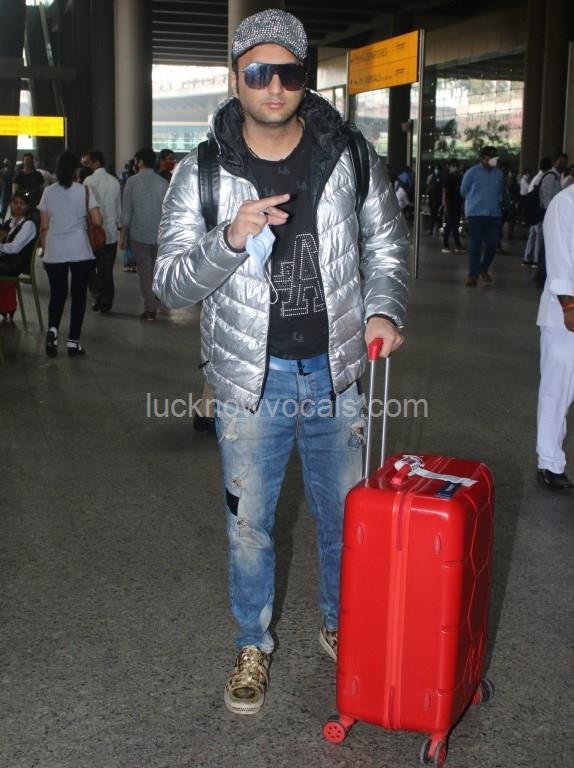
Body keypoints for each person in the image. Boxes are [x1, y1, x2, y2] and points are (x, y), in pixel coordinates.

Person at [153, 8, 409, 716]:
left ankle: (342, 624)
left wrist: (385, 310)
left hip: (337, 372)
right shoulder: (202, 171)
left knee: (345, 519)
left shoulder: (348, 155)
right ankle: (251, 642)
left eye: (289, 74)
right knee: (250, 525)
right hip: (248, 382)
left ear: (304, 79)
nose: (274, 87)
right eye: (259, 72)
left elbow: (387, 244)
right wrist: (228, 240)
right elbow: (169, 284)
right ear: (236, 77)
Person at [38, 150, 102, 357]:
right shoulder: (84, 191)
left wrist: (44, 250)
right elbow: (97, 220)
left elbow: (44, 226)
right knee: (79, 296)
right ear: (76, 169)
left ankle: (53, 331)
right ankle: (73, 343)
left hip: (55, 249)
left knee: (57, 294)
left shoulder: (48, 192)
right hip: (79, 250)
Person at [536, 183, 574, 492]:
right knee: (558, 390)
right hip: (565, 315)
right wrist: (569, 305)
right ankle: (549, 462)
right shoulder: (565, 203)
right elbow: (559, 258)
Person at [120, 148, 168, 320]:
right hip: (159, 235)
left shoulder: (132, 182)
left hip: (139, 234)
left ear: (140, 162)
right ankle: (157, 297)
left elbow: (126, 212)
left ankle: (150, 308)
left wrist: (122, 234)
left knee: (145, 273)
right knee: (156, 270)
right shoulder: (163, 183)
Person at [460, 146, 508, 287]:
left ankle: (483, 268)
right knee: (475, 246)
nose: (494, 159)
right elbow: (463, 191)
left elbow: (502, 191)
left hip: (494, 214)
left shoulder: (499, 174)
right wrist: (475, 200)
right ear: (483, 158)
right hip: (476, 214)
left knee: (492, 245)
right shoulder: (472, 172)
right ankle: (473, 275)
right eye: (491, 156)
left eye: (495, 157)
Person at [83, 149, 122, 313]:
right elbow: (118, 208)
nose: (86, 165)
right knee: (106, 269)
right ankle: (106, 302)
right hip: (111, 233)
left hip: (93, 232)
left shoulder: (88, 181)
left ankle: (98, 295)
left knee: (91, 267)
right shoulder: (114, 181)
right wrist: (119, 226)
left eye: (88, 162)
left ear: (97, 162)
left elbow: (85, 207)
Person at [0, 192, 38, 321]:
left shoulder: (29, 225)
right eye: (15, 203)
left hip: (17, 263)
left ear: (27, 206)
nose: (18, 206)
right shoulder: (9, 222)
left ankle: (6, 306)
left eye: (22, 204)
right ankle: (6, 306)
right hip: (6, 261)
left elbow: (15, 248)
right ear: (11, 204)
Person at [522, 157, 552, 268]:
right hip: (537, 210)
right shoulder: (543, 178)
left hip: (533, 210)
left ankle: (527, 258)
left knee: (533, 235)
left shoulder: (537, 177)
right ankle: (535, 260)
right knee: (538, 235)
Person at [441, 160, 463, 253]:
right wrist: (445, 204)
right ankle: (446, 245)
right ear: (449, 167)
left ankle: (457, 245)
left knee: (455, 224)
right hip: (450, 204)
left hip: (456, 203)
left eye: (456, 166)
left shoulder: (457, 177)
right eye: (453, 166)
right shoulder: (448, 177)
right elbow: (445, 191)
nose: (455, 168)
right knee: (450, 224)